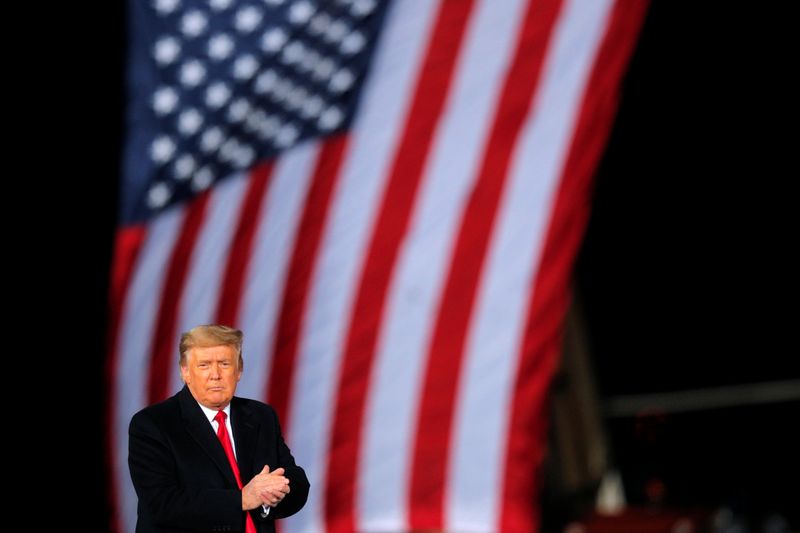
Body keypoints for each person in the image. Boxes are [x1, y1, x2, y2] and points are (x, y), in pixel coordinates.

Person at [129, 324, 309, 532]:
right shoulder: (153, 423)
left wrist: (274, 494)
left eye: (224, 364)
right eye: (204, 365)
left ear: (239, 370)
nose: (215, 375)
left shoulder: (261, 416)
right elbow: (162, 503)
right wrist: (241, 499)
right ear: (185, 372)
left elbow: (295, 480)